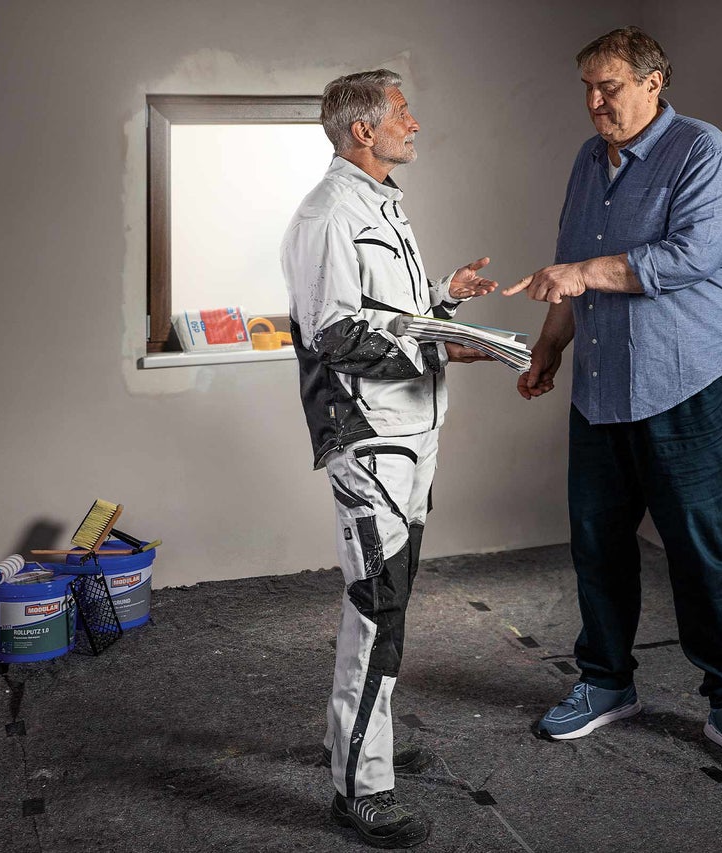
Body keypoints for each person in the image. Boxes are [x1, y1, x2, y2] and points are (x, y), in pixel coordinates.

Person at [503, 27, 722, 773]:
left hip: (687, 381)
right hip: (601, 387)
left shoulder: (701, 151)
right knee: (596, 542)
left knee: (704, 549)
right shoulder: (589, 161)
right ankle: (605, 683)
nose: (595, 103)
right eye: (587, 89)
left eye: (610, 87)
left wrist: (583, 274)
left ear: (654, 82)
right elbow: (569, 270)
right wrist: (549, 347)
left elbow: (692, 255)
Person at [281, 69, 497, 848]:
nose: (414, 122)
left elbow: (385, 314)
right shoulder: (329, 212)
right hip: (371, 442)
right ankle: (359, 788)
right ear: (362, 130)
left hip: (412, 437)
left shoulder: (379, 203)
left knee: (390, 603)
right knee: (378, 609)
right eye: (402, 113)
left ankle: (359, 744)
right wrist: (432, 337)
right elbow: (334, 334)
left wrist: (445, 301)